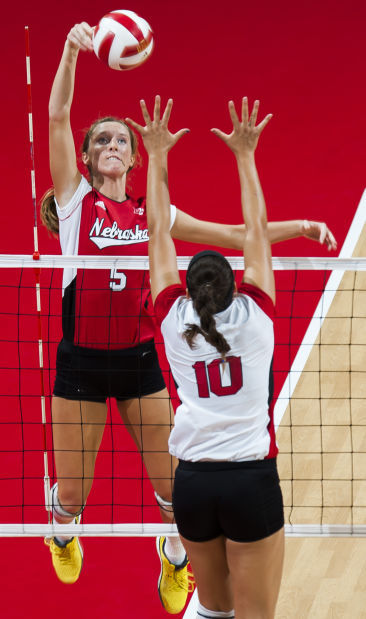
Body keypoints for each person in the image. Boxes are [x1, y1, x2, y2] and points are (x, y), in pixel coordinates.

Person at [41, 21, 336, 613]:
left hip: (140, 361)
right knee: (74, 494)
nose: (114, 146)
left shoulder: (157, 211)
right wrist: (72, 51)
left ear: (132, 154)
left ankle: (175, 560)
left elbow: (233, 234)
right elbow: (57, 117)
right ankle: (62, 526)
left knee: (175, 492)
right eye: (102, 141)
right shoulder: (75, 201)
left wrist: (300, 226)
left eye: (122, 140)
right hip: (80, 363)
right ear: (89, 157)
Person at [126, 94, 284, 619]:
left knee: (213, 610)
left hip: (192, 483)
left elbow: (156, 232)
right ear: (235, 284)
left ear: (188, 292)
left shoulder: (172, 323)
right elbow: (256, 229)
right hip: (249, 482)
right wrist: (245, 155)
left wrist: (156, 156)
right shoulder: (257, 317)